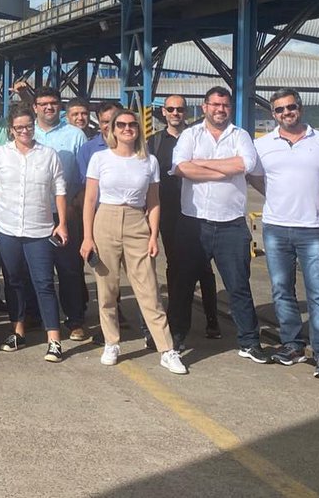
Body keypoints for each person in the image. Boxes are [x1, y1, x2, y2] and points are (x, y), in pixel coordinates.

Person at [80, 108, 187, 375]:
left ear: (139, 130)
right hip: (105, 218)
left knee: (149, 290)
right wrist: (87, 236)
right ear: (112, 130)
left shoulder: (148, 161)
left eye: (132, 125)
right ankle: (111, 342)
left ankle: (166, 349)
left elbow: (154, 202)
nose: (127, 129)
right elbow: (90, 199)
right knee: (107, 289)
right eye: (121, 125)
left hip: (136, 221)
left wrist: (153, 236)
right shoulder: (100, 158)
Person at [247, 89, 319, 379]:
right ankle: (292, 345)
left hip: (313, 228)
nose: (287, 113)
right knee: (281, 289)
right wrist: (275, 195)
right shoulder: (262, 146)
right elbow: (254, 176)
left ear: (300, 108)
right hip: (275, 227)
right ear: (272, 114)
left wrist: (317, 196)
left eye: (291, 107)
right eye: (280, 110)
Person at [169, 85, 266, 361]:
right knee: (183, 284)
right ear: (205, 107)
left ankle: (249, 342)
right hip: (193, 223)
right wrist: (224, 168)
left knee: (239, 286)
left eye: (224, 105)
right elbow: (180, 168)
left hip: (231, 225)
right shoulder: (190, 134)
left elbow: (245, 165)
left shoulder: (241, 135)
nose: (220, 109)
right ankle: (175, 338)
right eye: (215, 104)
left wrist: (201, 165)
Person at [0, 108, 68, 362]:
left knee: (43, 283)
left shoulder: (48, 155)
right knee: (13, 280)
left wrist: (62, 222)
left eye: (28, 126)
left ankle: (53, 339)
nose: (24, 131)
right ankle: (17, 331)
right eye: (19, 127)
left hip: (39, 230)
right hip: (7, 227)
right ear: (11, 129)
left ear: (34, 127)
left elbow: (59, 191)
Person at [150, 95, 221, 340]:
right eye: (171, 109)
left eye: (180, 109)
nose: (176, 113)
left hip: (198, 211)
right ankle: (175, 314)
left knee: (203, 266)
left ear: (186, 112)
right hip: (169, 212)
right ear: (164, 112)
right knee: (174, 265)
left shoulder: (199, 138)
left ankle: (212, 319)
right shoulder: (155, 142)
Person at [32, 86, 88, 341]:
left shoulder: (75, 135)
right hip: (33, 214)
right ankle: (36, 317)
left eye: (53, 103)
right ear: (35, 107)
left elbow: (87, 174)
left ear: (60, 106)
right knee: (35, 268)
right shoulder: (25, 131)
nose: (48, 107)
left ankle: (75, 320)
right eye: (43, 103)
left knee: (69, 268)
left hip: (65, 214)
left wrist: (77, 204)